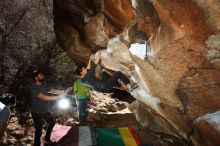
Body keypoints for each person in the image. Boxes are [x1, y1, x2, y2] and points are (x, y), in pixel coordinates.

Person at [31, 70, 71, 146]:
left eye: (42, 74)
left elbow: (53, 90)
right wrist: (59, 97)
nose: (42, 76)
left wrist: (64, 91)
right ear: (36, 77)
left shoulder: (44, 86)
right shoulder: (33, 88)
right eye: (40, 75)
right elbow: (44, 98)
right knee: (39, 131)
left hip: (45, 111)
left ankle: (47, 139)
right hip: (37, 113)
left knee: (52, 122)